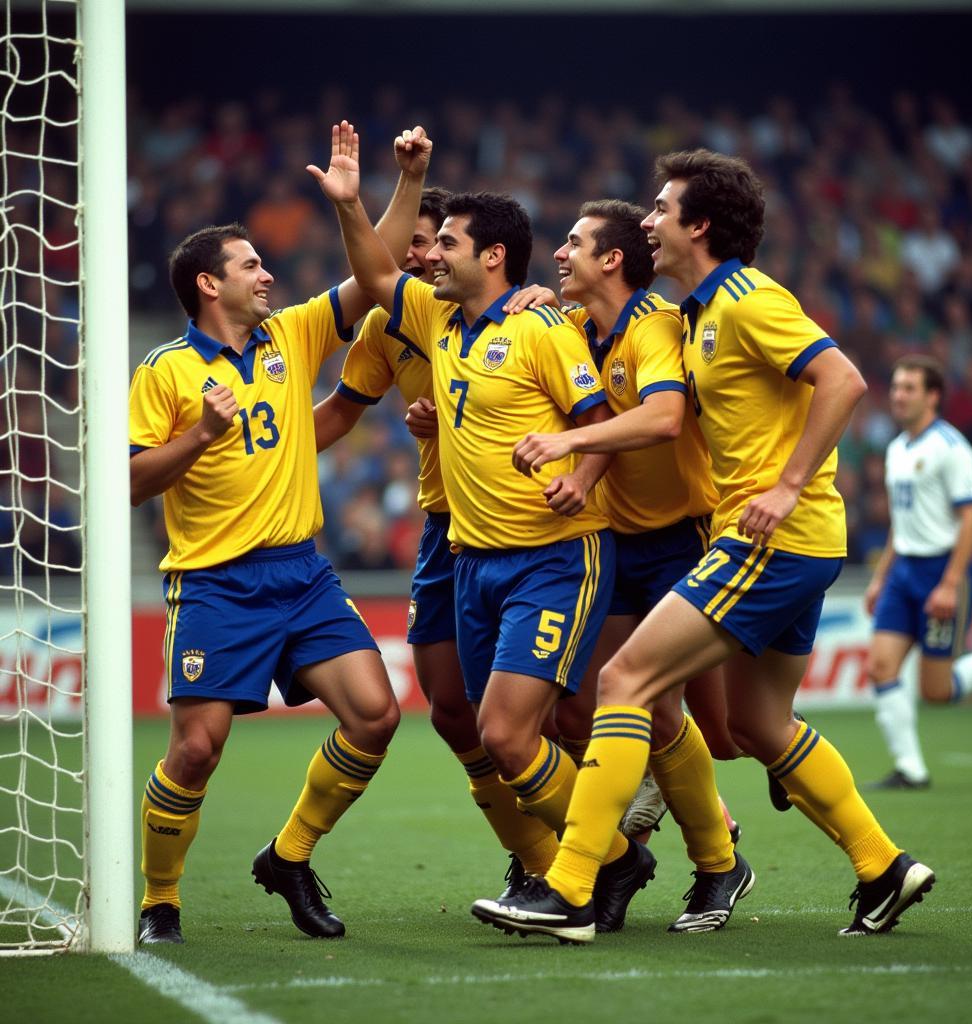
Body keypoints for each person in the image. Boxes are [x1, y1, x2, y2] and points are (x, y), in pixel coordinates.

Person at [471, 148, 934, 944]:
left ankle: (573, 887)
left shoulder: (751, 300)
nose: (648, 220)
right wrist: (557, 300)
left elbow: (845, 380)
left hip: (769, 536)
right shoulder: (694, 314)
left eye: (660, 208)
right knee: (757, 727)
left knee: (625, 680)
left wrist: (786, 486)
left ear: (700, 225)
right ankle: (883, 867)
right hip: (788, 539)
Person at [326, 121, 657, 932]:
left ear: (494, 256)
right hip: (472, 561)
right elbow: (374, 271)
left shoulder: (543, 328)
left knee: (513, 735)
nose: (430, 255)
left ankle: (605, 864)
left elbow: (605, 418)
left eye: (447, 244)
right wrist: (357, 200)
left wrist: (579, 475)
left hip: (552, 558)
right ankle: (610, 863)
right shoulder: (437, 325)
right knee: (493, 732)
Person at [128, 123, 431, 944]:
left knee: (374, 713)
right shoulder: (165, 372)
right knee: (196, 751)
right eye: (250, 265)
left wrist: (378, 195)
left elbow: (378, 279)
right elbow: (126, 482)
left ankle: (289, 855)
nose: (266, 274)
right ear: (207, 284)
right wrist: (197, 439)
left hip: (302, 574)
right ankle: (160, 900)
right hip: (216, 582)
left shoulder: (290, 337)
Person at [498, 200, 751, 933]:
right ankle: (637, 856)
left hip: (683, 538)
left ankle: (693, 844)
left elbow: (664, 417)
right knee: (595, 705)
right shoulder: (577, 328)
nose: (557, 255)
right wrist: (582, 478)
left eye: (573, 244)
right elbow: (594, 413)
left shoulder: (655, 325)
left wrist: (569, 452)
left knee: (724, 728)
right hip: (614, 539)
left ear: (612, 260)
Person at [312, 185, 559, 891]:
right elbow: (338, 413)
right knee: (453, 709)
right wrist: (257, 456)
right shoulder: (396, 322)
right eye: (414, 244)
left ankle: (699, 837)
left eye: (433, 242)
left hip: (529, 526)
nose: (421, 255)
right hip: (446, 527)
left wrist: (544, 296)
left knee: (565, 705)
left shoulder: (518, 313)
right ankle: (534, 853)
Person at [865, 355, 972, 788]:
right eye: (896, 387)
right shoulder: (897, 449)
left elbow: (971, 520)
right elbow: (901, 521)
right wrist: (881, 576)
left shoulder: (952, 449)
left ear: (932, 396)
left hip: (942, 570)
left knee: (935, 691)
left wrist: (951, 583)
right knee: (881, 666)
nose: (898, 395)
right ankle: (911, 769)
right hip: (903, 574)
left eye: (909, 388)